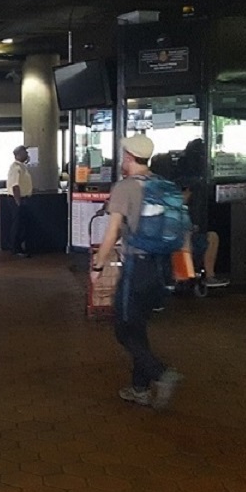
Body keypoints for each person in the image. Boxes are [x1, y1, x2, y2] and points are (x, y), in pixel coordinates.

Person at [91, 135, 182, 409]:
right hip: (160, 267)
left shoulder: (125, 187)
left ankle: (161, 374)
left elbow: (111, 233)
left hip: (137, 267)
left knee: (123, 329)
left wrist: (98, 265)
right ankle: (139, 388)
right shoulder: (163, 185)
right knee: (138, 326)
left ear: (128, 157)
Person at [7, 145, 34, 257]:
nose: (27, 154)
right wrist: (18, 202)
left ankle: (19, 247)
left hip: (23, 199)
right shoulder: (15, 168)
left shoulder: (22, 167)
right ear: (18, 154)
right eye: (25, 152)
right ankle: (15, 248)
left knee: (21, 224)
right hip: (17, 199)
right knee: (17, 224)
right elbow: (15, 186)